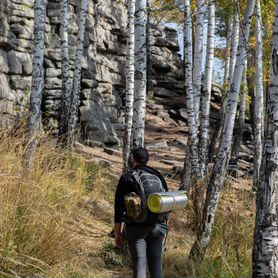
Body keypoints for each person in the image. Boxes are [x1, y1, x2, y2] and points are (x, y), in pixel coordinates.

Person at [114, 147, 168, 278]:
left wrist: (118, 234)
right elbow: (166, 205)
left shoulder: (127, 177)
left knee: (139, 265)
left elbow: (119, 209)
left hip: (135, 229)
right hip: (157, 228)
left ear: (132, 159)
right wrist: (165, 231)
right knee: (156, 266)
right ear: (147, 160)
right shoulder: (158, 176)